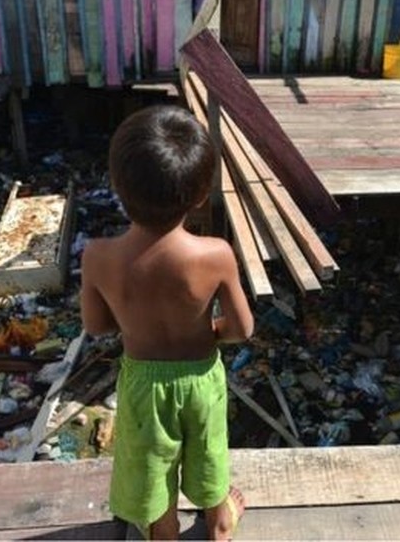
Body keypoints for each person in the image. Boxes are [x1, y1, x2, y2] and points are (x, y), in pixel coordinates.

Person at [81, 105, 254, 540]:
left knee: (149, 464)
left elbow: (97, 326)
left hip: (143, 385)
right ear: (199, 196)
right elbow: (242, 329)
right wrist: (208, 332)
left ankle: (164, 529)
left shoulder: (99, 256)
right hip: (200, 379)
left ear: (118, 187)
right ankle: (217, 523)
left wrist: (136, 320)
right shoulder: (215, 255)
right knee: (210, 450)